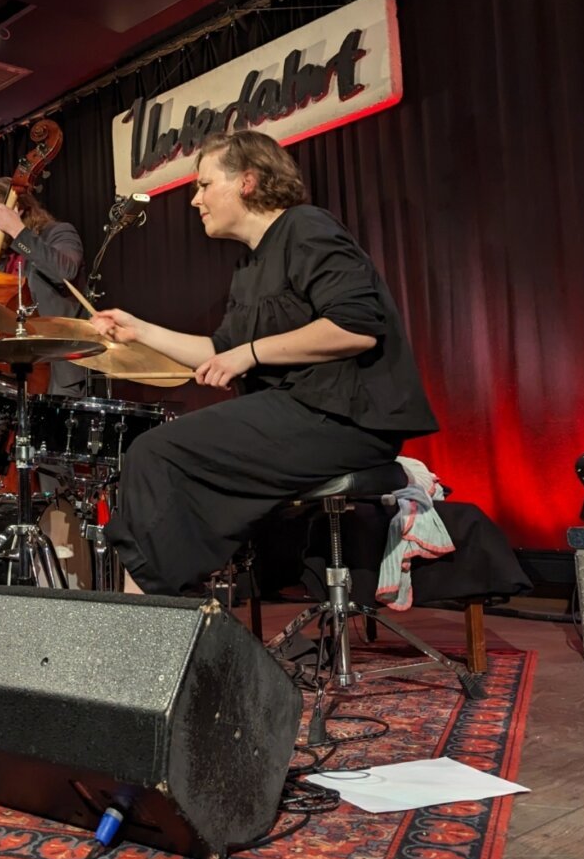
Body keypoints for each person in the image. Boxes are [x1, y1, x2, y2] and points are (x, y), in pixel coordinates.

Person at [90, 131, 438, 596]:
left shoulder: (307, 227)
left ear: (247, 182)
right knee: (157, 454)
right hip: (300, 413)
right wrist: (139, 330)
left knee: (156, 453)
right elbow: (219, 350)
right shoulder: (249, 268)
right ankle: (172, 602)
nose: (196, 200)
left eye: (205, 185)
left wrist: (249, 353)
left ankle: (151, 616)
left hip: (344, 419)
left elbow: (354, 327)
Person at [0, 177, 88, 397]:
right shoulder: (0, 258)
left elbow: (64, 272)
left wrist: (18, 231)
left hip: (57, 367)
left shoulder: (59, 233)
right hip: (12, 371)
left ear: (19, 208)